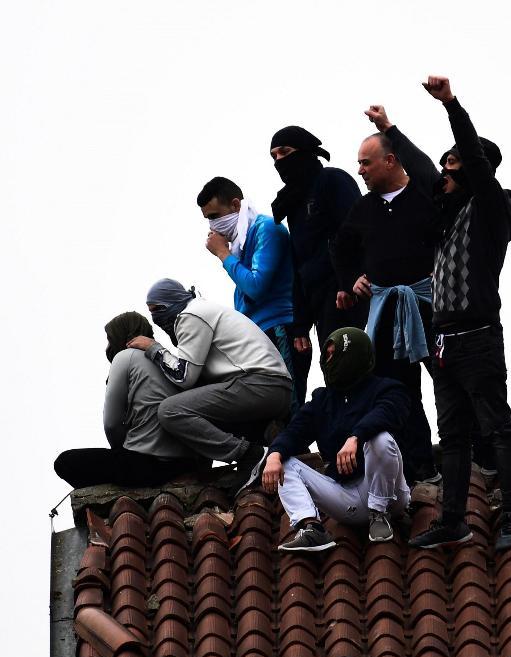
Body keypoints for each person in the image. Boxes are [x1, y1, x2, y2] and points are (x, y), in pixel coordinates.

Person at [406, 76, 511, 553]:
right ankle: (453, 520)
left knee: (497, 428)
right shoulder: (447, 218)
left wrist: (451, 104)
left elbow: (474, 158)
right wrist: (391, 131)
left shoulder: (492, 208)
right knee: (452, 438)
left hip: (479, 338)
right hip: (444, 344)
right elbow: (419, 171)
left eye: (452, 164)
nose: (444, 172)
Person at [330, 114, 441, 486]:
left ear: (390, 160)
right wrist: (351, 281)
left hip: (431, 305)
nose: (359, 170)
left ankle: (469, 455)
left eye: (366, 162)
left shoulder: (426, 196)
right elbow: (340, 251)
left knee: (448, 382)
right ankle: (417, 465)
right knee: (398, 391)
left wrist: (390, 127)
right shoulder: (362, 209)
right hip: (386, 311)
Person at [261, 327, 412, 551]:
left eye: (335, 354)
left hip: (390, 495)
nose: (328, 360)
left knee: (380, 438)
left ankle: (379, 514)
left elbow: (388, 413)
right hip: (347, 497)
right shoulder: (322, 400)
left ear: (352, 355)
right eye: (327, 355)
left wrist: (357, 437)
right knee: (283, 461)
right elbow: (295, 431)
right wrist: (274, 454)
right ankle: (311, 528)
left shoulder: (387, 389)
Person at [126, 279, 292, 481]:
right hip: (273, 387)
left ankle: (249, 455)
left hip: (259, 384)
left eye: (158, 309)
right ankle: (263, 432)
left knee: (171, 411)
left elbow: (184, 376)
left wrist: (154, 348)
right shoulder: (202, 310)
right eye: (151, 312)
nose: (155, 318)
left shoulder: (190, 315)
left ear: (173, 302)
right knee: (196, 402)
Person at [54, 312, 209, 489]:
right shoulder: (167, 360)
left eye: (109, 339)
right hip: (187, 462)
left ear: (121, 335)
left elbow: (111, 424)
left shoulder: (125, 357)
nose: (107, 347)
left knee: (65, 463)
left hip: (150, 464)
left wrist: (121, 451)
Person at [269, 126, 366, 396]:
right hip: (316, 300)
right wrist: (300, 323)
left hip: (344, 295)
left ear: (306, 152)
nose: (279, 161)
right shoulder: (292, 202)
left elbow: (355, 234)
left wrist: (346, 284)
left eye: (285, 152)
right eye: (274, 156)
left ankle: (364, 435)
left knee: (349, 370)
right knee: (333, 373)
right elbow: (300, 265)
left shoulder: (332, 180)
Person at [196, 176, 301, 416]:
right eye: (207, 220)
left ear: (235, 205)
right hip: (257, 333)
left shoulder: (266, 229)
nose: (212, 227)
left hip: (279, 327)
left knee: (289, 404)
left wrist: (223, 254)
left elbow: (255, 286)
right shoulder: (240, 241)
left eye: (215, 216)